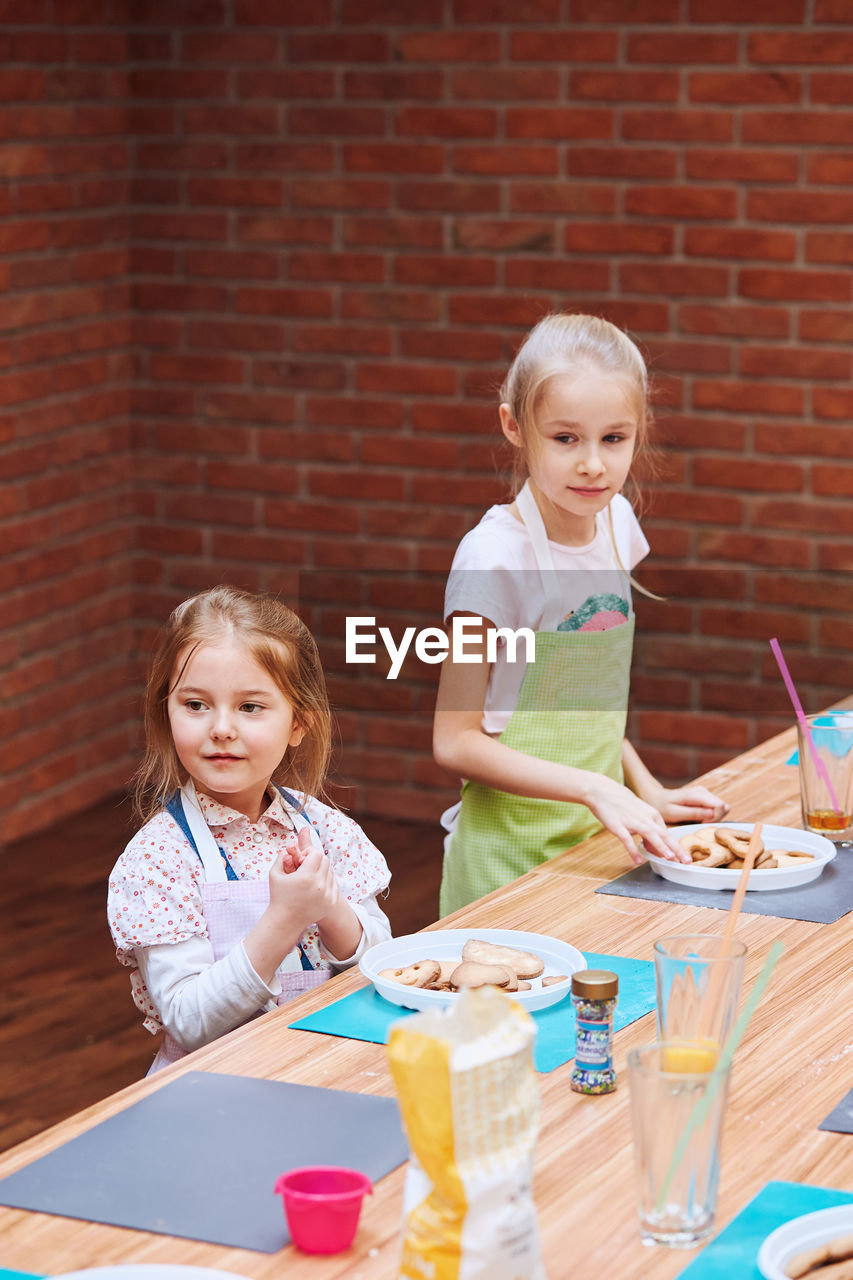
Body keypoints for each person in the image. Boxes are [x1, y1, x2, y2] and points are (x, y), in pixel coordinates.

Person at [433, 312, 729, 915]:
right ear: (515, 427)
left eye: (613, 438)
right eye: (566, 438)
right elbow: (455, 742)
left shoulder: (618, 524)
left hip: (597, 844)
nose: (593, 464)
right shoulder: (491, 560)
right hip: (505, 862)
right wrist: (598, 789)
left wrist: (644, 790)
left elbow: (583, 699)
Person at [108, 586, 391, 1074]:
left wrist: (329, 908)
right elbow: (190, 1020)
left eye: (250, 707)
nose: (221, 728)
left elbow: (382, 962)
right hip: (214, 1101)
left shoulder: (327, 829)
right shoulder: (158, 860)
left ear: (298, 723)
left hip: (326, 1074)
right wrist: (285, 919)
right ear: (166, 711)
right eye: (196, 705)